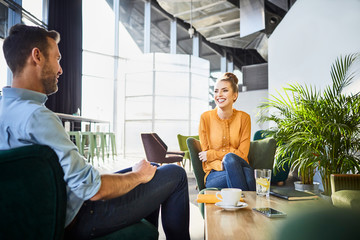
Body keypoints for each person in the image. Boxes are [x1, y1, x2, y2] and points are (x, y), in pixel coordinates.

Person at [0, 24, 190, 240]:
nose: (60, 69)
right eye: (57, 58)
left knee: (152, 171)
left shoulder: (5, 109)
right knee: (176, 174)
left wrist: (139, 176)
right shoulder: (37, 117)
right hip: (78, 216)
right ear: (37, 56)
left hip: (43, 212)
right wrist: (137, 176)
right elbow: (92, 190)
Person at [198, 72, 256, 191]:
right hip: (215, 174)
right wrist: (225, 163)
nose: (219, 94)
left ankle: (241, 207)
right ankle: (252, 206)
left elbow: (242, 155)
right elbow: (205, 157)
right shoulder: (205, 118)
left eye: (224, 90)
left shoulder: (244, 118)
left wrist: (214, 154)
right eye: (216, 91)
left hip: (239, 165)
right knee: (248, 175)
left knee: (230, 158)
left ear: (235, 95)